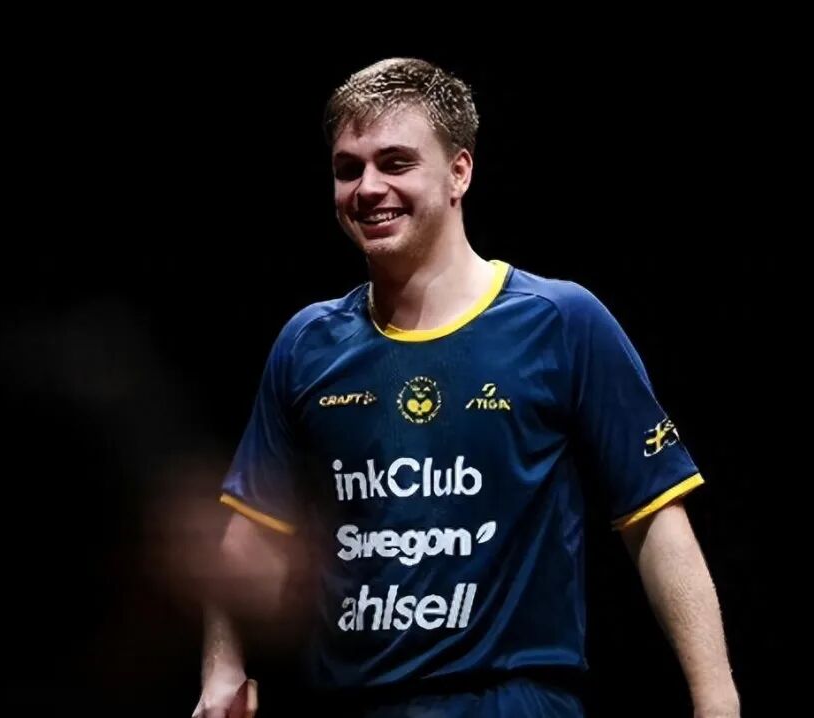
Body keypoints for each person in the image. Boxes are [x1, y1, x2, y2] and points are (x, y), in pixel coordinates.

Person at [192, 57, 740, 717]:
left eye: (396, 163)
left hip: (511, 701)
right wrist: (222, 669)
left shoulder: (561, 321)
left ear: (459, 172)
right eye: (348, 168)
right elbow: (252, 532)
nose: (368, 188)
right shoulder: (307, 344)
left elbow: (654, 519)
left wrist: (717, 699)